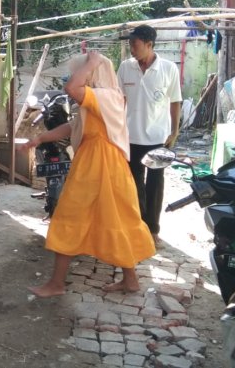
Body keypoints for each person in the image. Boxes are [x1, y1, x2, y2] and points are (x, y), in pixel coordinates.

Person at [22, 52, 155, 298]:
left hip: (98, 164)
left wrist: (92, 61)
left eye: (81, 70)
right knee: (117, 219)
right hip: (106, 164)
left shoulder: (104, 96)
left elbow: (72, 87)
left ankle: (57, 284)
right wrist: (40, 138)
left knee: (69, 218)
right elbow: (73, 126)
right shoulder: (103, 98)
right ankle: (130, 280)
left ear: (94, 72)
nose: (75, 74)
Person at [117, 25, 182, 245]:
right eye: (130, 45)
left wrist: (175, 130)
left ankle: (152, 229)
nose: (131, 49)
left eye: (134, 45)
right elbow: (119, 100)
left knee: (155, 185)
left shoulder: (168, 68)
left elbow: (175, 100)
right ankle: (138, 226)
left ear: (149, 44)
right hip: (130, 138)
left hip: (158, 138)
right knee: (134, 184)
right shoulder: (126, 68)